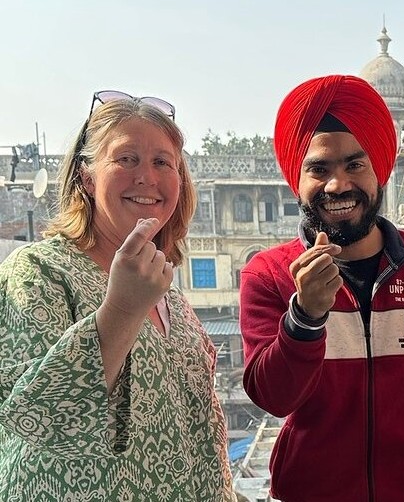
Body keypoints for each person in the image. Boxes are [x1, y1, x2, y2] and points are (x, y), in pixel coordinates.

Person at [240, 74, 404, 502]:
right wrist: (305, 318)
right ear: (296, 180)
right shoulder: (269, 275)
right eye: (319, 169)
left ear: (379, 171)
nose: (339, 184)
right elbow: (274, 398)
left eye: (355, 165)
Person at [0, 91, 234, 501]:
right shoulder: (39, 272)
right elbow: (34, 416)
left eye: (163, 162)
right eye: (127, 159)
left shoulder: (171, 299)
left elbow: (201, 430)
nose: (147, 177)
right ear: (88, 179)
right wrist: (122, 311)